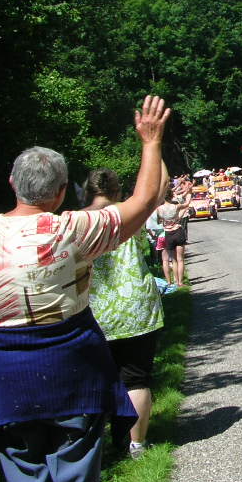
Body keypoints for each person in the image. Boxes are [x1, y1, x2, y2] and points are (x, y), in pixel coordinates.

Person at [0, 95, 171, 482]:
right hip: (70, 375)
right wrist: (150, 140)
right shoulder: (71, 228)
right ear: (60, 194)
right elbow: (145, 199)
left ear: (12, 184)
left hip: (6, 382)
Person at [83, 169, 167, 459]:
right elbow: (160, 187)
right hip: (136, 308)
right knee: (136, 379)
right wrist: (156, 146)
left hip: (93, 311)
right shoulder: (128, 214)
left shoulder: (75, 221)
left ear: (87, 191)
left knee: (98, 380)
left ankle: (100, 445)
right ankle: (137, 445)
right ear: (118, 192)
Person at [156, 182, 192, 287]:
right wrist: (189, 193)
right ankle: (180, 282)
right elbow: (187, 203)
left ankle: (174, 281)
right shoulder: (176, 206)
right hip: (178, 231)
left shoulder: (159, 209)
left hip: (168, 234)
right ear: (171, 196)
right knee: (181, 259)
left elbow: (159, 221)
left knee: (174, 260)